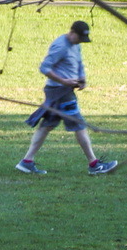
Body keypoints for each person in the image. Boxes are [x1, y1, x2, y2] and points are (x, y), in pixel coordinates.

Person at [16, 19, 117, 175]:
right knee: (79, 125)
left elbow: (79, 63)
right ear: (72, 33)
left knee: (47, 126)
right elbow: (44, 68)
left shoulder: (75, 45)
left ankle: (26, 161)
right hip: (60, 92)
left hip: (63, 91)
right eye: (79, 39)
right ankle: (94, 164)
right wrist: (63, 80)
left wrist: (82, 78)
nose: (80, 43)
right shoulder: (61, 46)